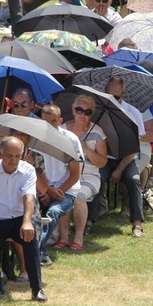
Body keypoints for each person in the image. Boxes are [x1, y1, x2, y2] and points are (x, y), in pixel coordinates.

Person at [0, 136, 46, 301]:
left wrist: (27, 222)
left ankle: (36, 288)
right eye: (9, 156)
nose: (13, 160)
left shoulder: (28, 170)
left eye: (17, 156)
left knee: (31, 242)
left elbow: (29, 197)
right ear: (0, 153)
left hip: (18, 219)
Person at [99, 77, 148, 235]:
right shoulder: (99, 112)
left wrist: (119, 170)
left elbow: (134, 147)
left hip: (127, 159)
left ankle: (137, 223)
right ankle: (88, 221)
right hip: (106, 158)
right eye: (108, 96)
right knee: (95, 178)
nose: (112, 100)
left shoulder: (133, 113)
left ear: (123, 94)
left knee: (134, 180)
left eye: (116, 97)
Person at [35, 105, 82, 263]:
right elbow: (32, 171)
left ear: (60, 121)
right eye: (45, 121)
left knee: (53, 212)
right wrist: (48, 190)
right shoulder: (33, 140)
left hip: (66, 189)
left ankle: (37, 249)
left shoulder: (71, 140)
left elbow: (75, 175)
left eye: (53, 121)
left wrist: (57, 192)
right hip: (41, 187)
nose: (49, 125)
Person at [60, 95, 107, 248]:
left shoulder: (97, 132)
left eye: (87, 112)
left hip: (90, 176)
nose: (82, 114)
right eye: (79, 110)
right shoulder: (63, 130)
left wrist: (87, 149)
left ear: (91, 114)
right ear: (73, 111)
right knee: (64, 196)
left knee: (79, 197)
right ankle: (63, 237)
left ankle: (78, 238)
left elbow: (103, 162)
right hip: (67, 175)